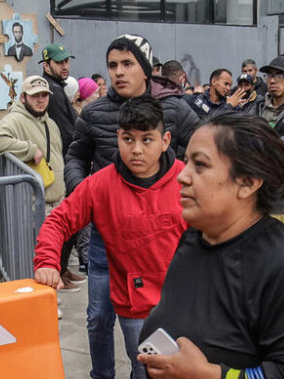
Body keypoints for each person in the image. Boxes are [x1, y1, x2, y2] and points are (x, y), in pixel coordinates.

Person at [137, 112, 284, 378]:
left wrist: (212, 374)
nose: (182, 176)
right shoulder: (194, 238)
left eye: (200, 165)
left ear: (247, 183)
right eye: (187, 162)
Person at [65, 34, 199, 379]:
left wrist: (178, 183)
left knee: (147, 328)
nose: (119, 72)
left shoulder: (173, 109)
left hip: (153, 238)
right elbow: (76, 155)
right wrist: (86, 193)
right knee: (98, 317)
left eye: (128, 64)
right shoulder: (95, 111)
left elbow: (203, 149)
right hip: (103, 235)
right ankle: (102, 374)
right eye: (112, 65)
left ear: (146, 68)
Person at [35, 99, 186, 379]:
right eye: (128, 139)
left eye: (147, 140)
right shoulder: (99, 185)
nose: (137, 149)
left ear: (165, 141)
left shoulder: (187, 180)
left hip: (183, 303)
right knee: (145, 368)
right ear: (118, 137)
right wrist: (47, 261)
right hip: (135, 305)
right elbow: (58, 221)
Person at [0, 76, 72, 286]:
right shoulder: (16, 119)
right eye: (35, 96)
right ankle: (44, 302)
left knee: (51, 256)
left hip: (56, 201)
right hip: (36, 204)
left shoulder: (49, 122)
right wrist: (28, 150)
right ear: (23, 97)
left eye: (44, 95)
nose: (41, 100)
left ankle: (49, 297)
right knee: (39, 258)